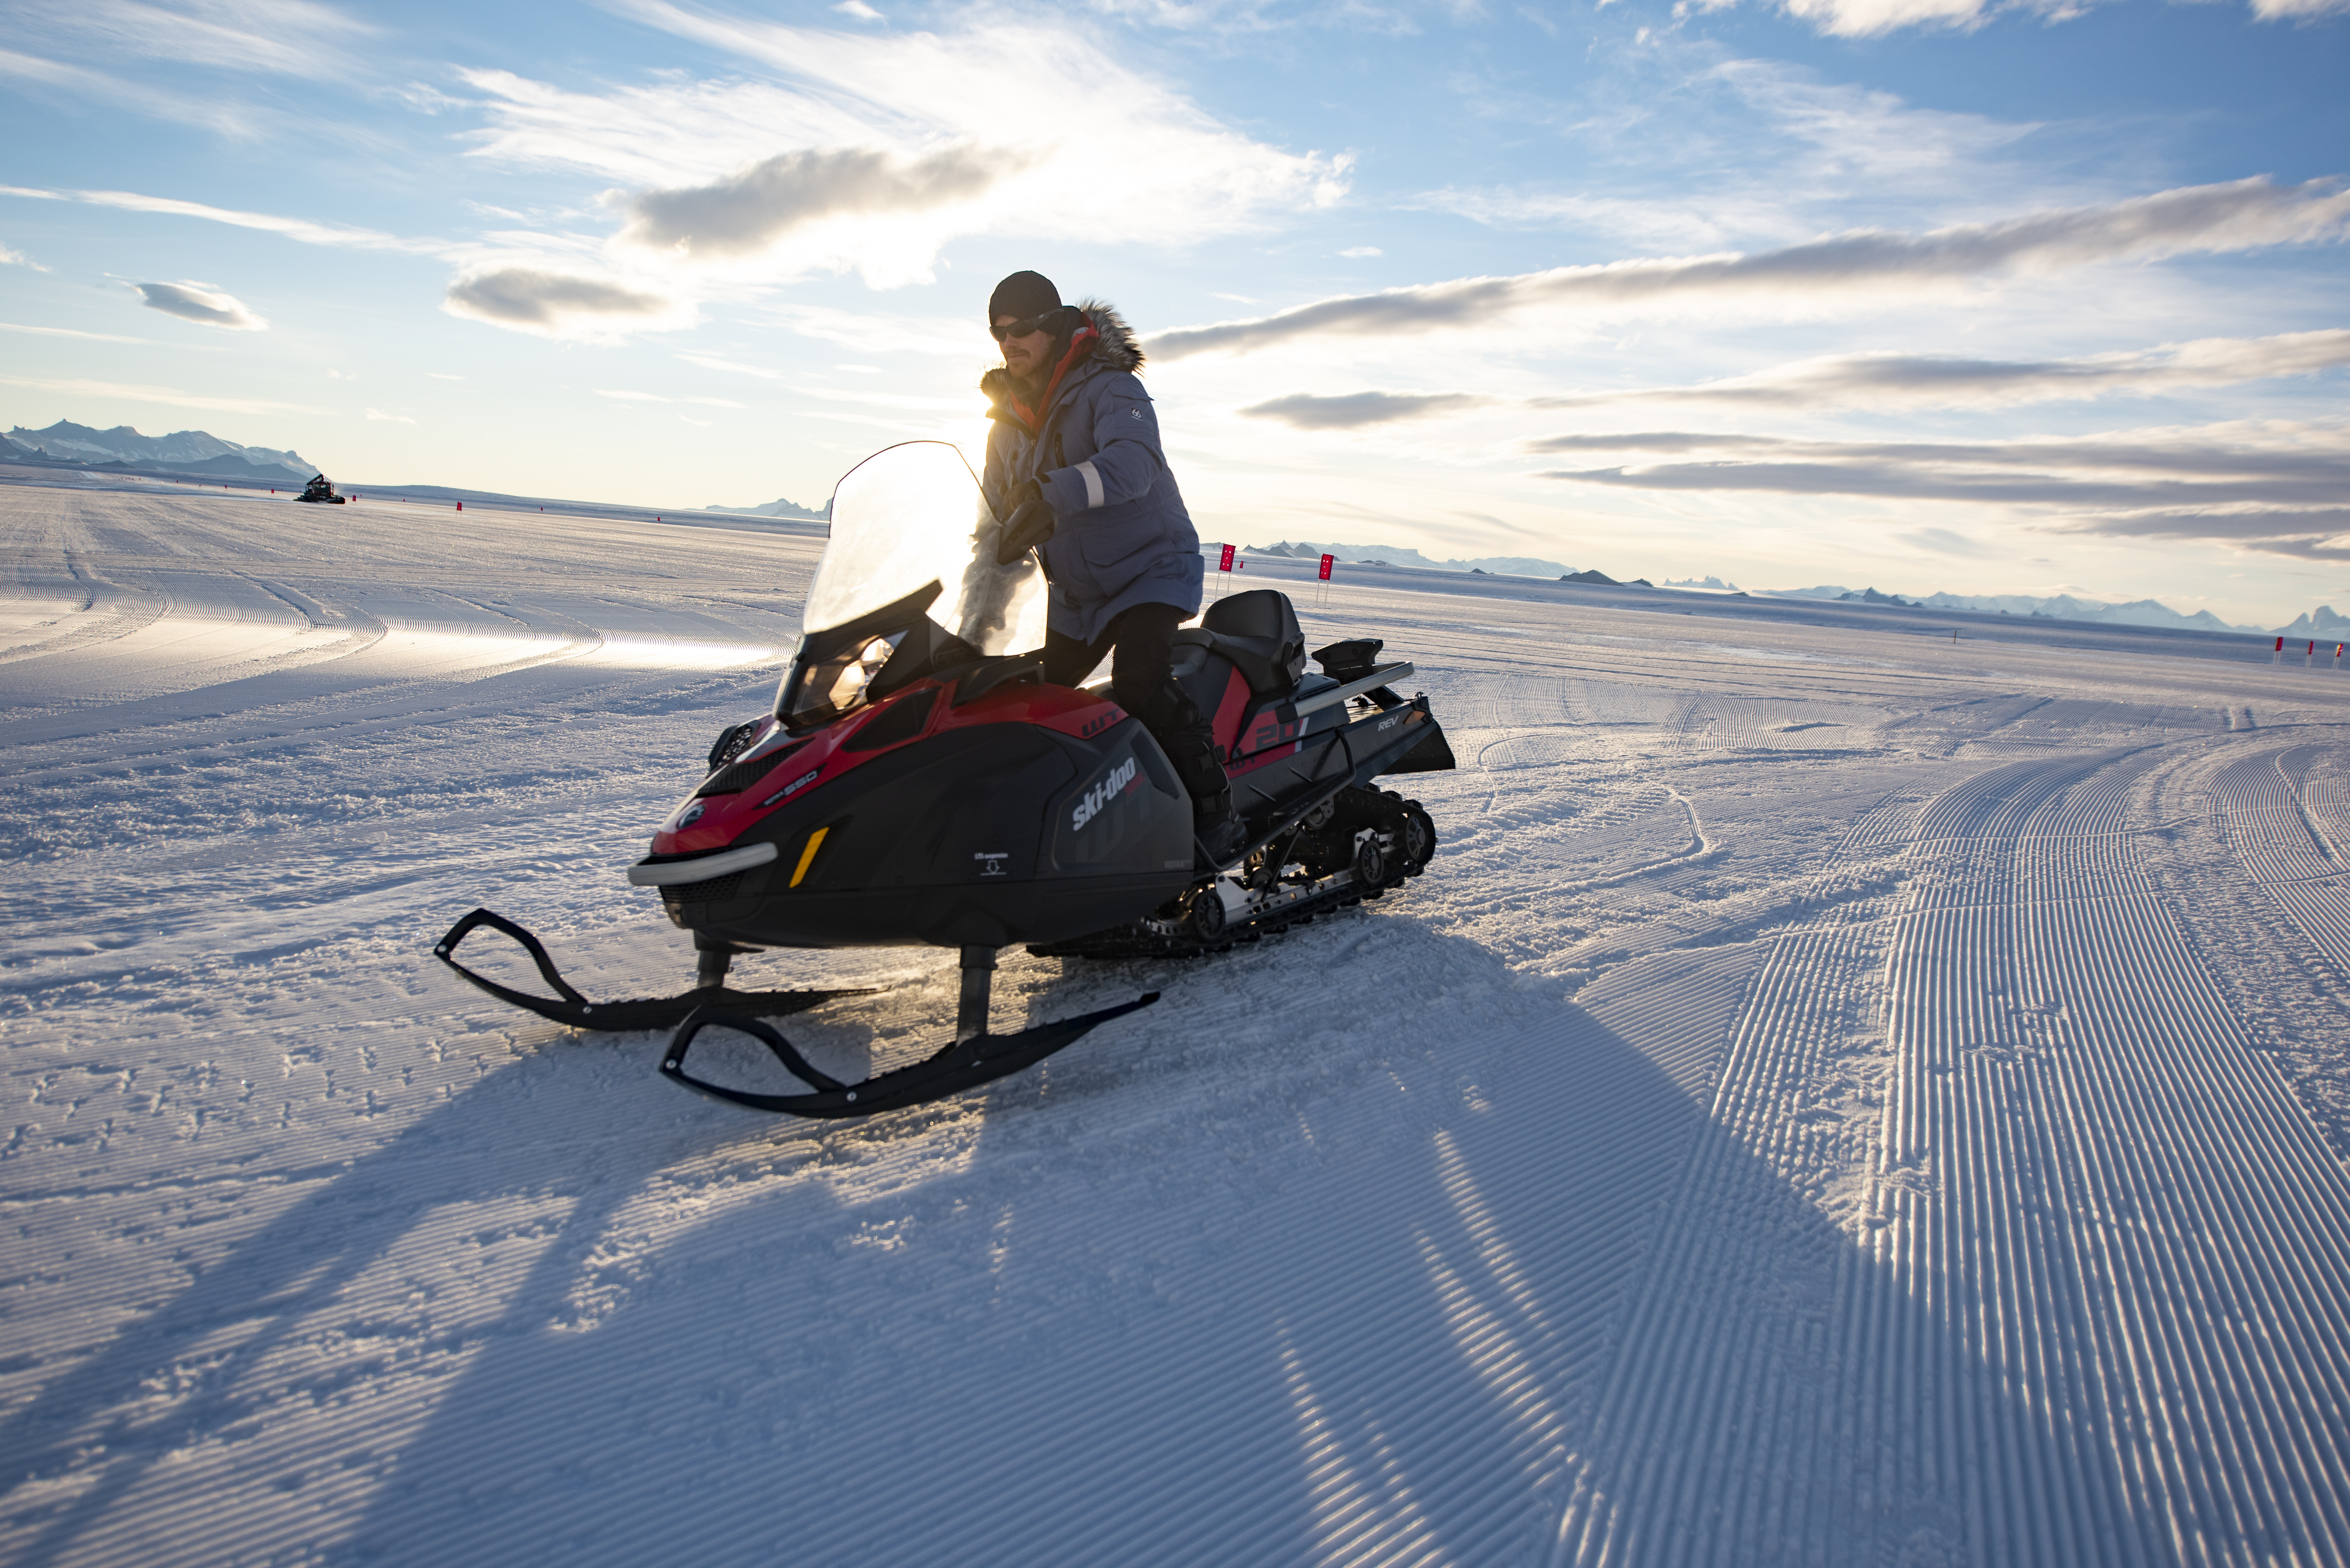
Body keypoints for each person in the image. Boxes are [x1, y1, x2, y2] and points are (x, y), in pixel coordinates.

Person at [979, 269, 1246, 863]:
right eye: (998, 334)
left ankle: (1213, 811)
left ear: (1051, 328)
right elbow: (995, 509)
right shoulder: (1008, 418)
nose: (1008, 344)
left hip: (1150, 570)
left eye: (1020, 330)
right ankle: (1060, 823)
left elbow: (1134, 464)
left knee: (1139, 682)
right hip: (1076, 594)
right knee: (1026, 697)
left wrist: (1052, 495)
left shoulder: (1109, 387)